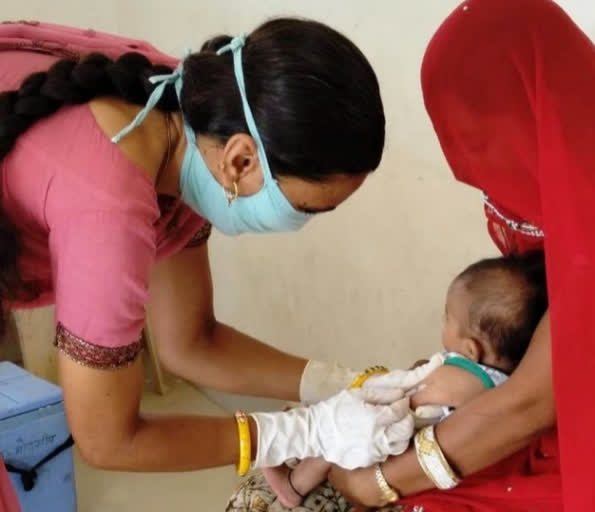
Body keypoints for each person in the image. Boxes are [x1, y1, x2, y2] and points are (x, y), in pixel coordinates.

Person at [326, 1, 595, 511]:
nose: (465, 160)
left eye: (474, 129)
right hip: (563, 425)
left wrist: (380, 484)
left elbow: (531, 403)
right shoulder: (587, 170)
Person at [0, 20, 433, 476]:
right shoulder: (107, 216)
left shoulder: (195, 109)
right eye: (306, 208)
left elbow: (191, 341)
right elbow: (109, 441)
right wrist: (307, 432)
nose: (303, 222)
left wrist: (346, 385)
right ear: (241, 160)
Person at [262, 252, 548, 508]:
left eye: (447, 318)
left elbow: (414, 398)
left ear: (471, 349)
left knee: (343, 434)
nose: (443, 325)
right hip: (437, 449)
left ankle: (294, 485)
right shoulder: (506, 378)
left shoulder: (464, 377)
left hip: (410, 448)